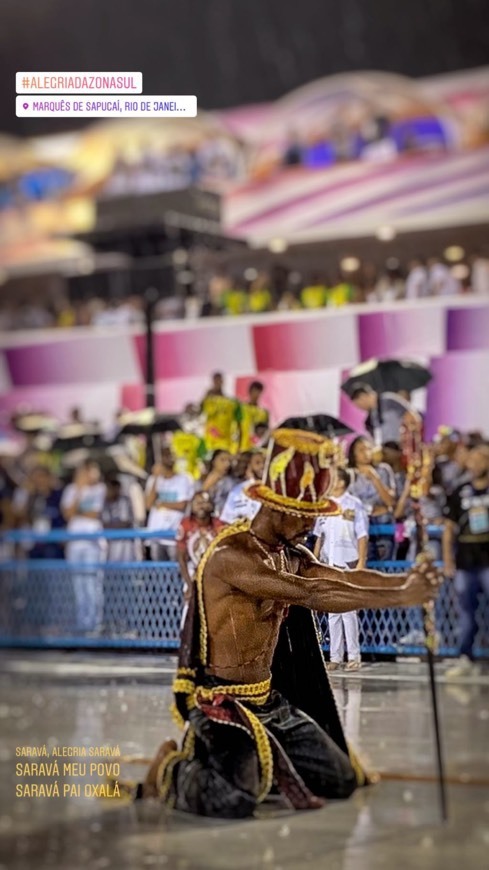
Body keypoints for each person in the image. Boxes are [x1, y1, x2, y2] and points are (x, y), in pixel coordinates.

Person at [139, 428, 441, 817]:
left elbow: (342, 577)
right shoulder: (233, 555)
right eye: (305, 516)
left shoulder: (290, 552)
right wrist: (401, 597)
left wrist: (406, 582)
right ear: (278, 509)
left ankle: (263, 765)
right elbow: (313, 593)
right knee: (232, 800)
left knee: (341, 780)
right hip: (222, 702)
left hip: (269, 700)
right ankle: (169, 769)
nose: (311, 527)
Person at [313, 468, 368, 671]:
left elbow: (362, 535)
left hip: (348, 563)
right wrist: (315, 560)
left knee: (348, 611)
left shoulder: (354, 504)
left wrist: (362, 562)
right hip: (329, 563)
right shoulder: (324, 506)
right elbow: (320, 536)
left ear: (342, 482)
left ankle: (353, 656)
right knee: (333, 613)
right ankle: (335, 657)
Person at [443, 444, 489, 678]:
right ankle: (465, 657)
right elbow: (448, 529)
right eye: (473, 459)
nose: (476, 464)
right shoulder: (460, 491)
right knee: (465, 612)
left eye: (481, 459)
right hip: (465, 561)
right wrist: (448, 560)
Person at [61, 461, 107, 634]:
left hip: (92, 543)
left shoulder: (100, 489)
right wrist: (79, 492)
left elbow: (95, 513)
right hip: (75, 543)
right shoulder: (71, 490)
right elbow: (68, 513)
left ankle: (95, 624)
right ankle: (82, 623)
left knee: (92, 583)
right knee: (78, 584)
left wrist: (77, 511)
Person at [176, 492, 223, 627]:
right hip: (193, 570)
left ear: (212, 505)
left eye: (204, 502)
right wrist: (189, 585)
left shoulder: (219, 525)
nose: (201, 506)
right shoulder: (185, 524)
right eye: (197, 503)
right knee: (189, 605)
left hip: (216, 573)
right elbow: (181, 557)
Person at [348, 436, 396, 560]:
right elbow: (349, 504)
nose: (366, 453)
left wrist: (375, 478)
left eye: (369, 449)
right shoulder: (349, 474)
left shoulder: (383, 470)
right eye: (361, 450)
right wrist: (370, 510)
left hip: (382, 524)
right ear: (353, 453)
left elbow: (390, 501)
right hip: (358, 528)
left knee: (383, 568)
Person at [145, 448, 194, 561]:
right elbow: (148, 504)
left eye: (170, 454)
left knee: (175, 568)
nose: (168, 458)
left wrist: (162, 504)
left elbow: (182, 505)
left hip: (174, 534)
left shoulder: (184, 479)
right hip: (156, 534)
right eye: (164, 455)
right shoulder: (153, 479)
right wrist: (156, 477)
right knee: (158, 570)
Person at [350, 383, 421, 447]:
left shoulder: (388, 400)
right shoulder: (371, 417)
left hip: (402, 447)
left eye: (358, 404)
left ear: (363, 397)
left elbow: (413, 417)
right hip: (387, 450)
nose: (359, 408)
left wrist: (408, 438)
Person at [220, 450, 266, 524]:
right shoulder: (237, 491)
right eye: (257, 462)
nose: (262, 466)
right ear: (248, 465)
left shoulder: (272, 489)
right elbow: (227, 519)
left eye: (265, 462)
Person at [201, 372, 241, 453]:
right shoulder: (208, 398)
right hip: (211, 438)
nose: (218, 382)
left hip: (225, 437)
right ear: (213, 381)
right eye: (216, 380)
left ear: (223, 381)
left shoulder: (229, 401)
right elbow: (201, 412)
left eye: (219, 380)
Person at [102, 477, 135, 562]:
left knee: (126, 568)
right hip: (109, 542)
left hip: (124, 541)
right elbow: (104, 522)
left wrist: (111, 525)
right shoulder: (104, 502)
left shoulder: (124, 500)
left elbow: (124, 522)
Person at [239, 381, 270, 451]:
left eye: (259, 392)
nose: (256, 394)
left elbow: (266, 433)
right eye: (255, 391)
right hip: (243, 447)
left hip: (257, 448)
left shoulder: (264, 413)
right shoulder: (241, 408)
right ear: (250, 391)